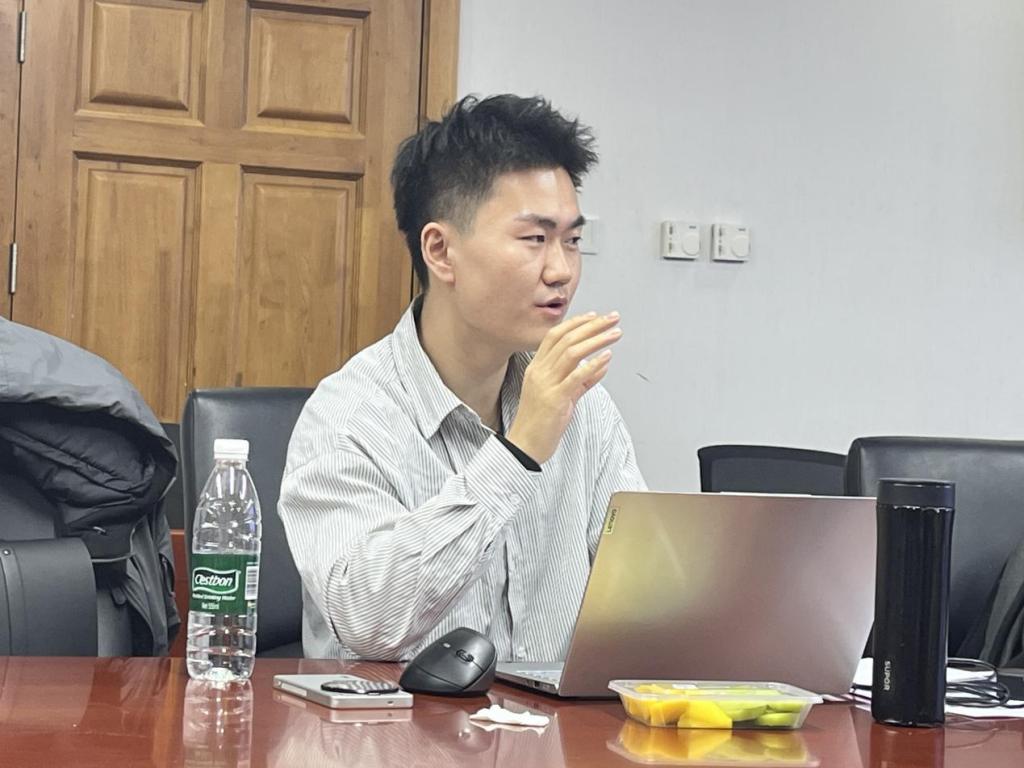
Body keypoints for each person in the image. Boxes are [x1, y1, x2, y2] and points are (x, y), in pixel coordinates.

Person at [278, 94, 646, 661]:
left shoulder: (584, 407)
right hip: (397, 718)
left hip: (555, 719)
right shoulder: (350, 416)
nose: (561, 271)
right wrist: (518, 453)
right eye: (535, 239)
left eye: (572, 241)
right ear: (441, 251)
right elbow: (368, 623)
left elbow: (646, 597)